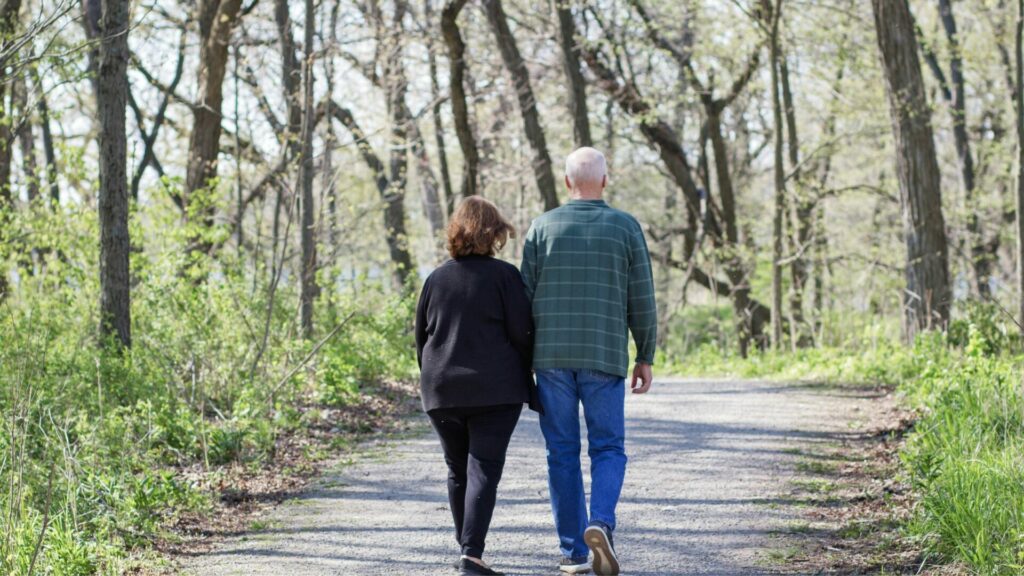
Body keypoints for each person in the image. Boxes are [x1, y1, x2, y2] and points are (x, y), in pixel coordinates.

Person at [520, 147, 657, 576]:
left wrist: (522, 359)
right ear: (605, 180)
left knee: (561, 451)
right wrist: (645, 354)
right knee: (608, 447)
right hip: (603, 354)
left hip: (551, 358)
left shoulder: (542, 227)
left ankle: (573, 551)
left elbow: (523, 299)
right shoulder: (625, 226)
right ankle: (600, 523)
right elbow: (643, 297)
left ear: (566, 182)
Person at [415, 196, 541, 576]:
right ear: (494, 234)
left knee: (457, 469)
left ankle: (468, 550)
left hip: (441, 389)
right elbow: (523, 332)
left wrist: (434, 373)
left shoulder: (435, 278)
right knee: (483, 467)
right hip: (495, 390)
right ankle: (471, 554)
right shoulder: (505, 277)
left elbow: (421, 337)